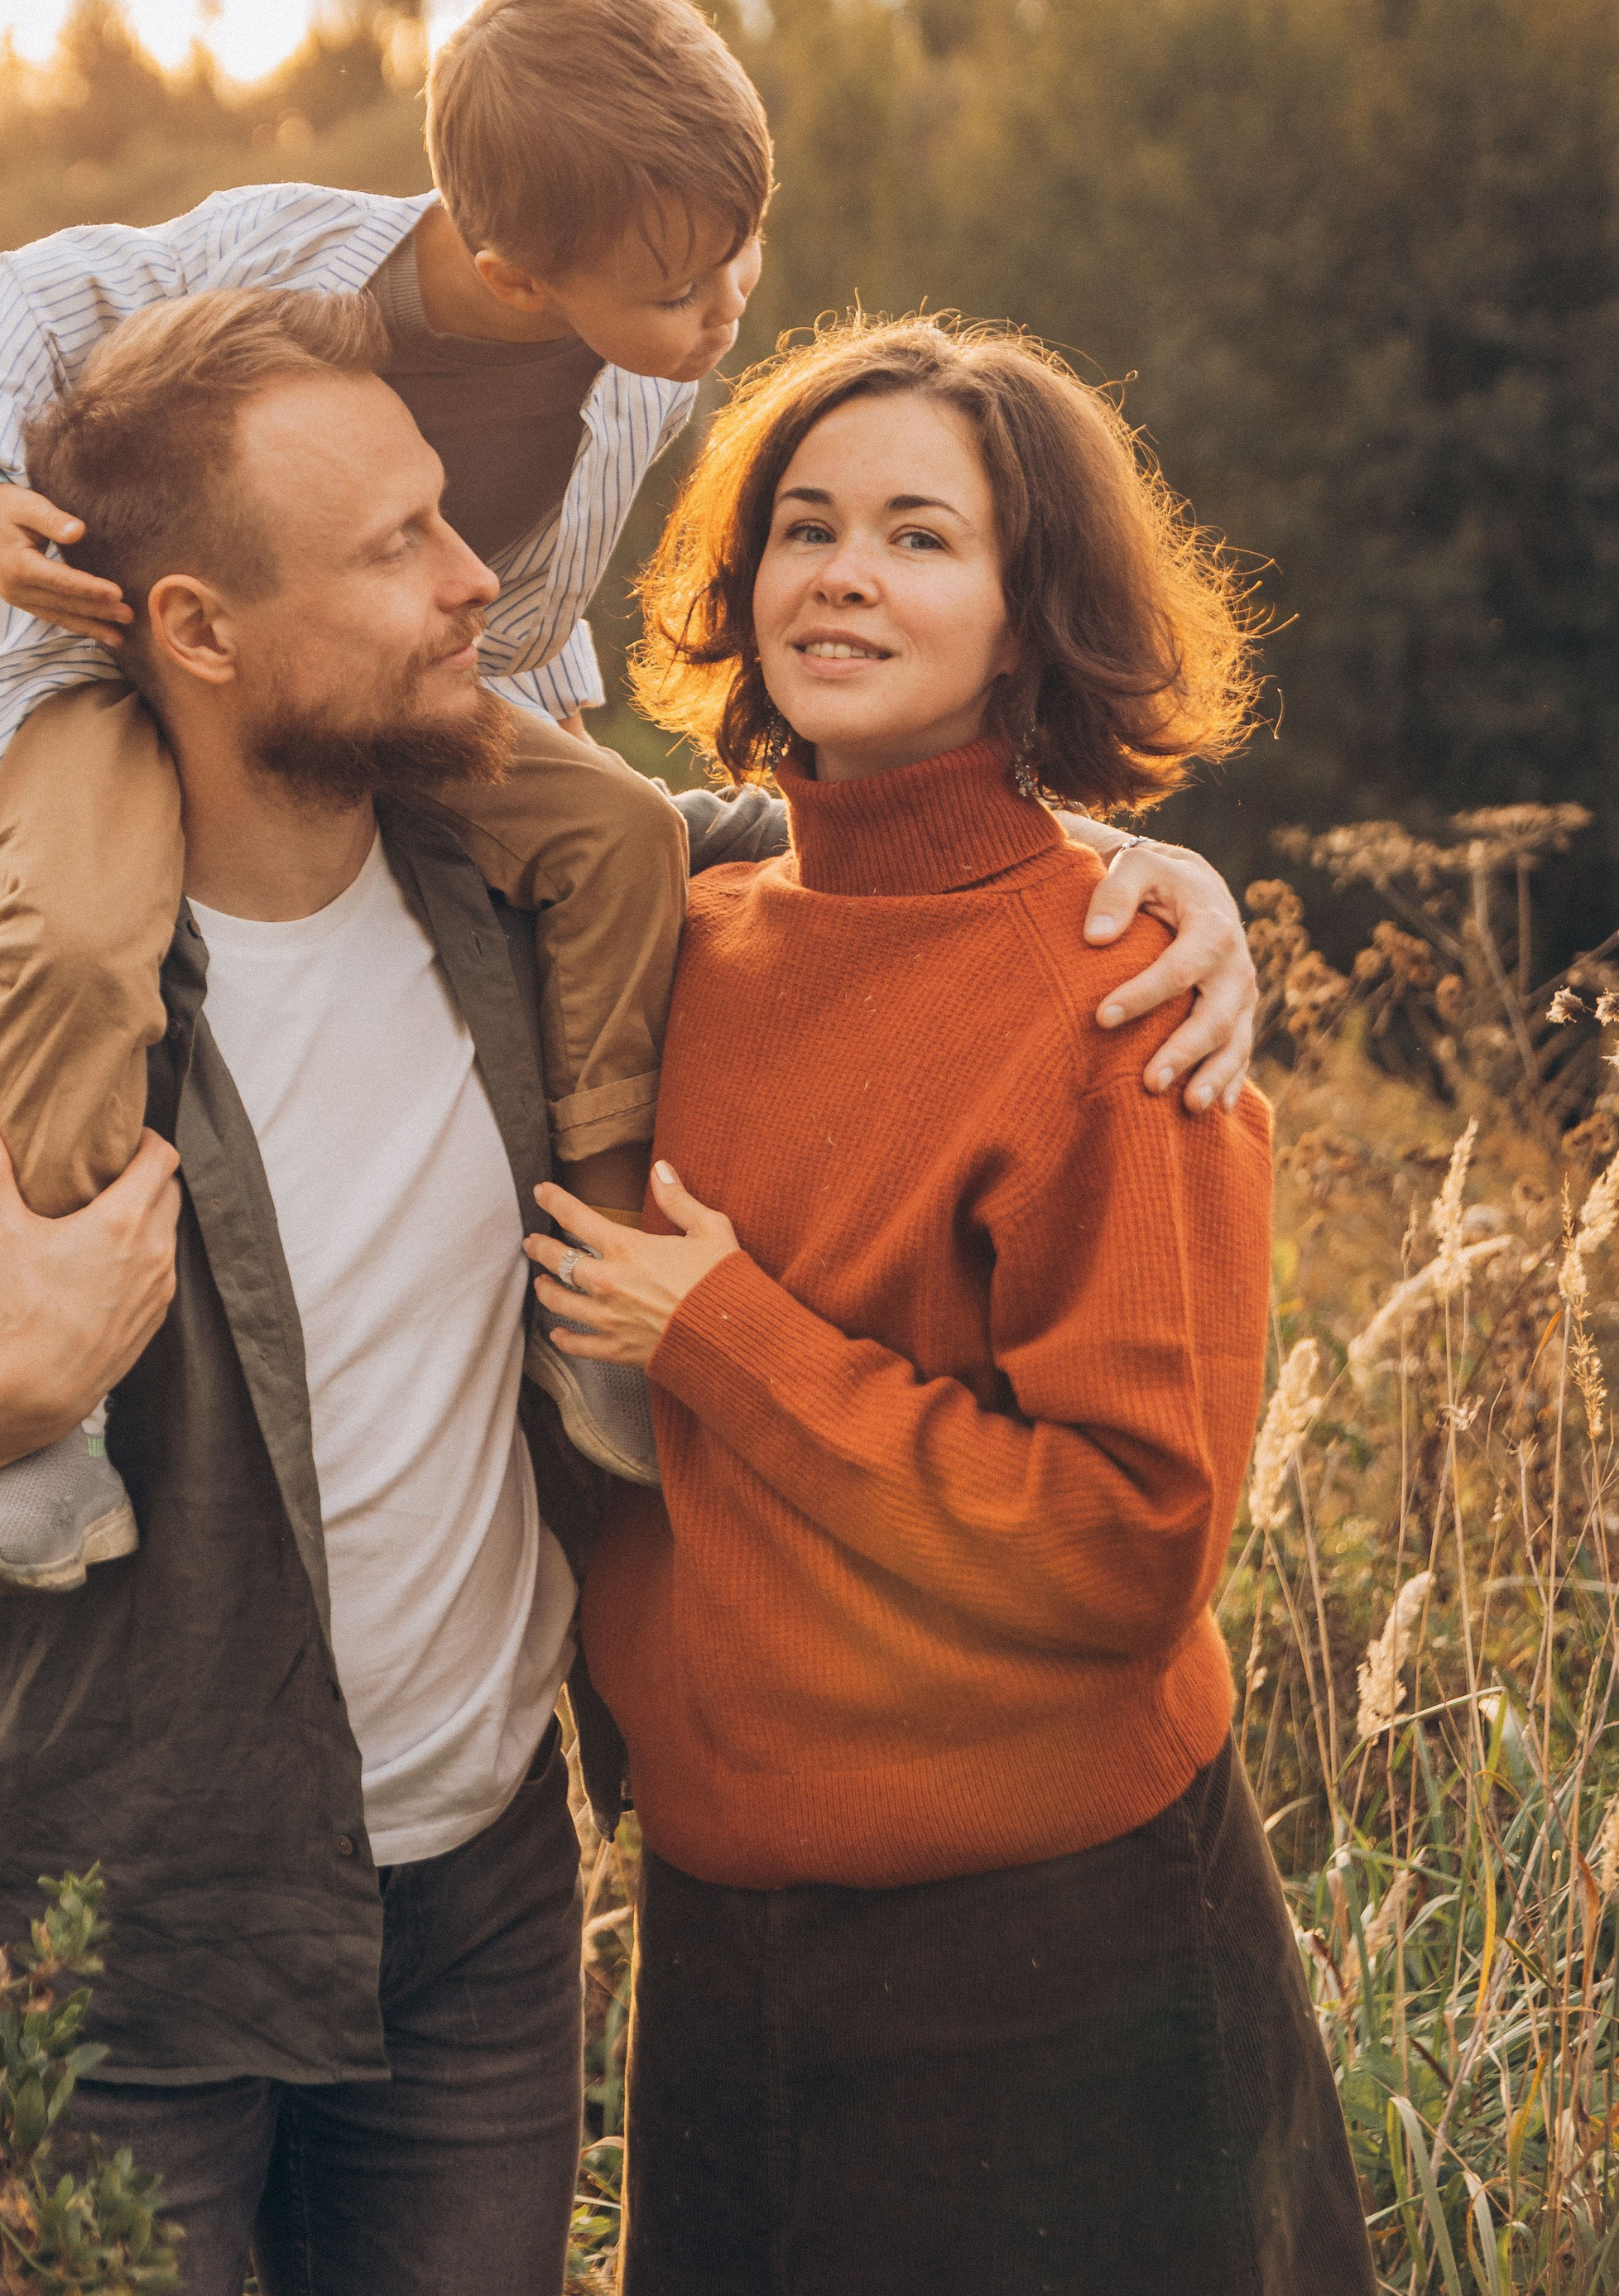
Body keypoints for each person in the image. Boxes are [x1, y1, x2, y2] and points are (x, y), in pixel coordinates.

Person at [0, 286, 791, 2296]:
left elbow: (889, 870)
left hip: (480, 1928)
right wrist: (10, 1402)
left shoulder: (527, 914)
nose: (475, 586)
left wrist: (1163, 886)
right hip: (111, 1979)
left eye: (448, 517)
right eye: (391, 553)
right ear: (191, 627)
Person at [0, 0, 1261, 1584]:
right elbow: (46, 291)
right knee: (78, 932)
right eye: (688, 282)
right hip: (107, 667)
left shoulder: (634, 359)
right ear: (508, 266)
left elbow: (557, 635)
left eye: (738, 246)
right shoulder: (302, 269)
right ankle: (58, 1435)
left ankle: (601, 1302)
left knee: (614, 829)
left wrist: (1114, 854)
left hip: (406, 693)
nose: (727, 309)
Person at [529, 316, 1375, 2295]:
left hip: (1046, 1957)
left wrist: (724, 1337)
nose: (839, 572)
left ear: (1025, 613)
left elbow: (1122, 1544)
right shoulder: (683, 933)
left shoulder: (1111, 994)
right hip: (726, 1949)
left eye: (919, 535)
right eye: (802, 525)